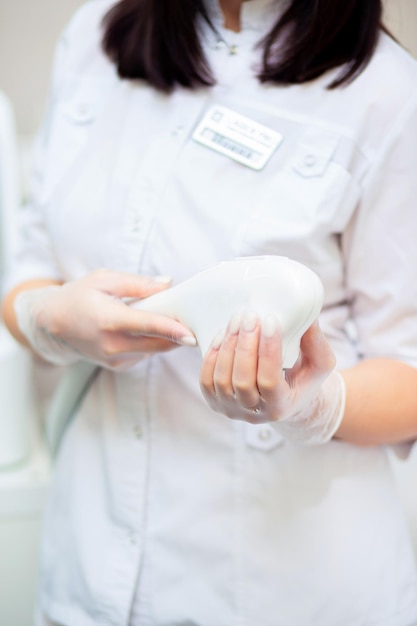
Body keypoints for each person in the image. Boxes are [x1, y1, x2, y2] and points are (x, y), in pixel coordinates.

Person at [2, 0, 417, 623]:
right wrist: (45, 319)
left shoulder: (388, 95)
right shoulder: (93, 35)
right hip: (88, 567)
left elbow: (409, 369)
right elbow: (31, 254)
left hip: (283, 586)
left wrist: (314, 403)